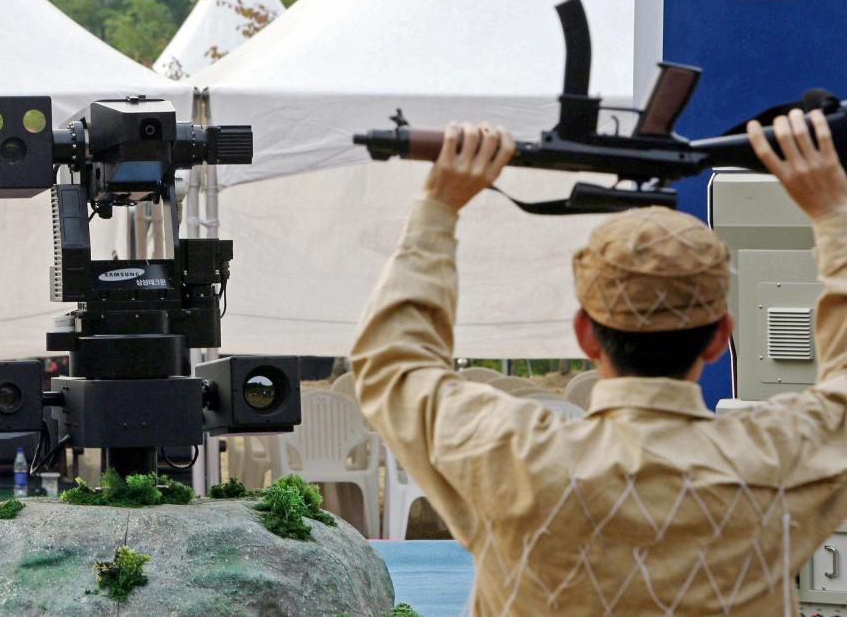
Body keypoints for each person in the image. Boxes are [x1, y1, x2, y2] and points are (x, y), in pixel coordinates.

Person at [350, 108, 847, 615]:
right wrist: (832, 214)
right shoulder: (778, 460)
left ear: (585, 334)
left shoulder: (512, 454)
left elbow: (393, 365)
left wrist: (438, 207)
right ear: (721, 336)